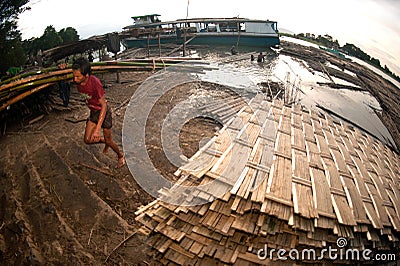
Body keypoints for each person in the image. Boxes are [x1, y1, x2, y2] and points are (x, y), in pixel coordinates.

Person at [71, 57, 125, 168]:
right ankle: (105, 141)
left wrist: (97, 129)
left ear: (86, 75)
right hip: (93, 112)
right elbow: (61, 76)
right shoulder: (77, 80)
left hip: (104, 112)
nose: (74, 79)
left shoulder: (95, 82)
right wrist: (61, 67)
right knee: (87, 140)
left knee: (109, 140)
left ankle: (120, 156)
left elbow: (104, 105)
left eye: (77, 76)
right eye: (74, 76)